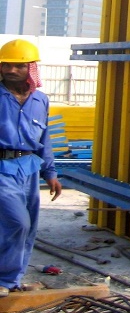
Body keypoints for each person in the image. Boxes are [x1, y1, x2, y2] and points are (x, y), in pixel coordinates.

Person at [0, 39, 62, 297]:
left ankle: (13, 280)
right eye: (6, 65)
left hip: (29, 169)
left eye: (19, 65)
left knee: (30, 227)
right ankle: (4, 278)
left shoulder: (41, 101)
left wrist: (51, 173)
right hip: (2, 168)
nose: (12, 70)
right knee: (18, 222)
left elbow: (44, 139)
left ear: (31, 68)